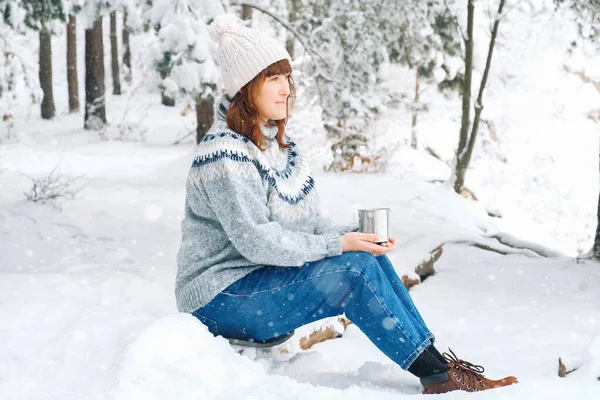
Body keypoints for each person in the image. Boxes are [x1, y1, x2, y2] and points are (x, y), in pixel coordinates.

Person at [175, 14, 518, 395]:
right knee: (354, 271)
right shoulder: (224, 153)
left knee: (368, 258)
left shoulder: (279, 147)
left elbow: (308, 224)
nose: (286, 89)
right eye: (273, 79)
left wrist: (355, 237)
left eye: (287, 78)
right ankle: (436, 375)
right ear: (245, 88)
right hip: (219, 298)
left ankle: (438, 363)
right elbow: (257, 241)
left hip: (257, 284)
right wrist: (341, 245)